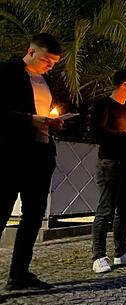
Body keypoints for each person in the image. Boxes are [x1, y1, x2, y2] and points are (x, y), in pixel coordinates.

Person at [0, 33, 64, 290]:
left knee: (34, 216)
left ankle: (19, 274)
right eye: (48, 60)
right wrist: (29, 120)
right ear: (31, 51)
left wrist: (53, 121)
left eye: (54, 63)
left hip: (40, 154)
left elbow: (45, 112)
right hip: (11, 155)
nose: (50, 66)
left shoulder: (48, 81)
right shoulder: (7, 73)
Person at [90, 69, 126, 273]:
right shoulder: (104, 105)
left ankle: (121, 253)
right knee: (106, 209)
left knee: (124, 209)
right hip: (109, 162)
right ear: (125, 84)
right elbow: (97, 130)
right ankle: (98, 256)